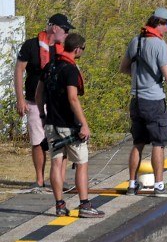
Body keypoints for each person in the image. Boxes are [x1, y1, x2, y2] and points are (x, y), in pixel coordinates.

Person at [118, 7, 167, 197]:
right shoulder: (159, 45)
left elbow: (124, 68)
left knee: (138, 142)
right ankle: (159, 186)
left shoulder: (135, 41)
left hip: (136, 100)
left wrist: (139, 76)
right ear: (160, 23)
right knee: (158, 143)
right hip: (153, 101)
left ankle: (131, 184)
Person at [35, 33, 103, 218]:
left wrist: (42, 115)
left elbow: (38, 94)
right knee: (81, 163)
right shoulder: (70, 70)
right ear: (77, 49)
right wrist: (84, 124)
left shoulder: (50, 66)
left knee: (56, 163)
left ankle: (59, 205)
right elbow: (73, 98)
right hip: (69, 125)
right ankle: (84, 205)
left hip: (51, 123)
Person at [13, 13, 74, 193]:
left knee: (60, 140)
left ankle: (59, 180)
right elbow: (18, 70)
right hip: (33, 100)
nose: (67, 34)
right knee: (38, 141)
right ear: (54, 28)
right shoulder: (30, 46)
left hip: (57, 103)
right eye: (65, 30)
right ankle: (39, 180)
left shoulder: (63, 48)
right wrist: (20, 98)